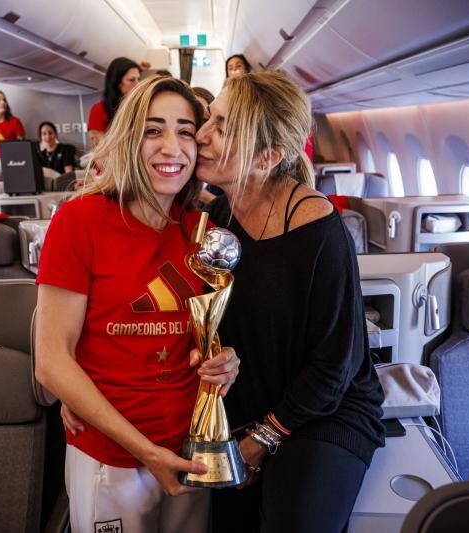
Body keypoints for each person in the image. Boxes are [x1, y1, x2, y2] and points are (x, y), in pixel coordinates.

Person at [34, 76, 240, 533]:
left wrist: (225, 363)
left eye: (186, 131)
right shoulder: (80, 221)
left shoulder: (199, 229)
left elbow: (201, 336)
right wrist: (146, 453)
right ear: (129, 138)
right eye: (153, 130)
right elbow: (50, 363)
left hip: (190, 448)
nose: (172, 146)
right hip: (112, 455)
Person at [196, 70, 385, 533]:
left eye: (222, 127)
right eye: (209, 119)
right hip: (248, 404)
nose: (201, 135)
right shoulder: (218, 218)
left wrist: (257, 444)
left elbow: (333, 369)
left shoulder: (316, 227)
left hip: (323, 411)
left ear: (268, 157)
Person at [87, 57, 140, 148]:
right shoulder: (99, 110)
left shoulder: (141, 107)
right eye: (131, 80)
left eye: (138, 79)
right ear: (117, 83)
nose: (138, 84)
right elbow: (99, 149)